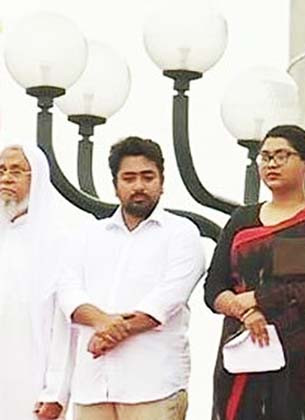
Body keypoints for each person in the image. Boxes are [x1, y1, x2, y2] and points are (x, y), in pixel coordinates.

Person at [204, 125, 305, 420]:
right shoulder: (242, 219)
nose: (271, 164)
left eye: (282, 156)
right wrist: (246, 311)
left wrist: (260, 299)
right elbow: (214, 287)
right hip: (242, 349)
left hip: (301, 352)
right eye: (266, 157)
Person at [57, 137, 205, 420]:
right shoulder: (87, 235)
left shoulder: (182, 233)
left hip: (153, 385)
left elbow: (168, 298)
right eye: (129, 178)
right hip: (92, 385)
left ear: (162, 182)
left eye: (148, 177)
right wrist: (103, 323)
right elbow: (68, 290)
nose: (139, 186)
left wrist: (110, 332)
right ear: (115, 185)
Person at [0, 144, 74, 420]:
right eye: (1, 171)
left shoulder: (58, 240)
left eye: (16, 171)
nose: (6, 178)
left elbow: (63, 324)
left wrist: (56, 391)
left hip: (31, 380)